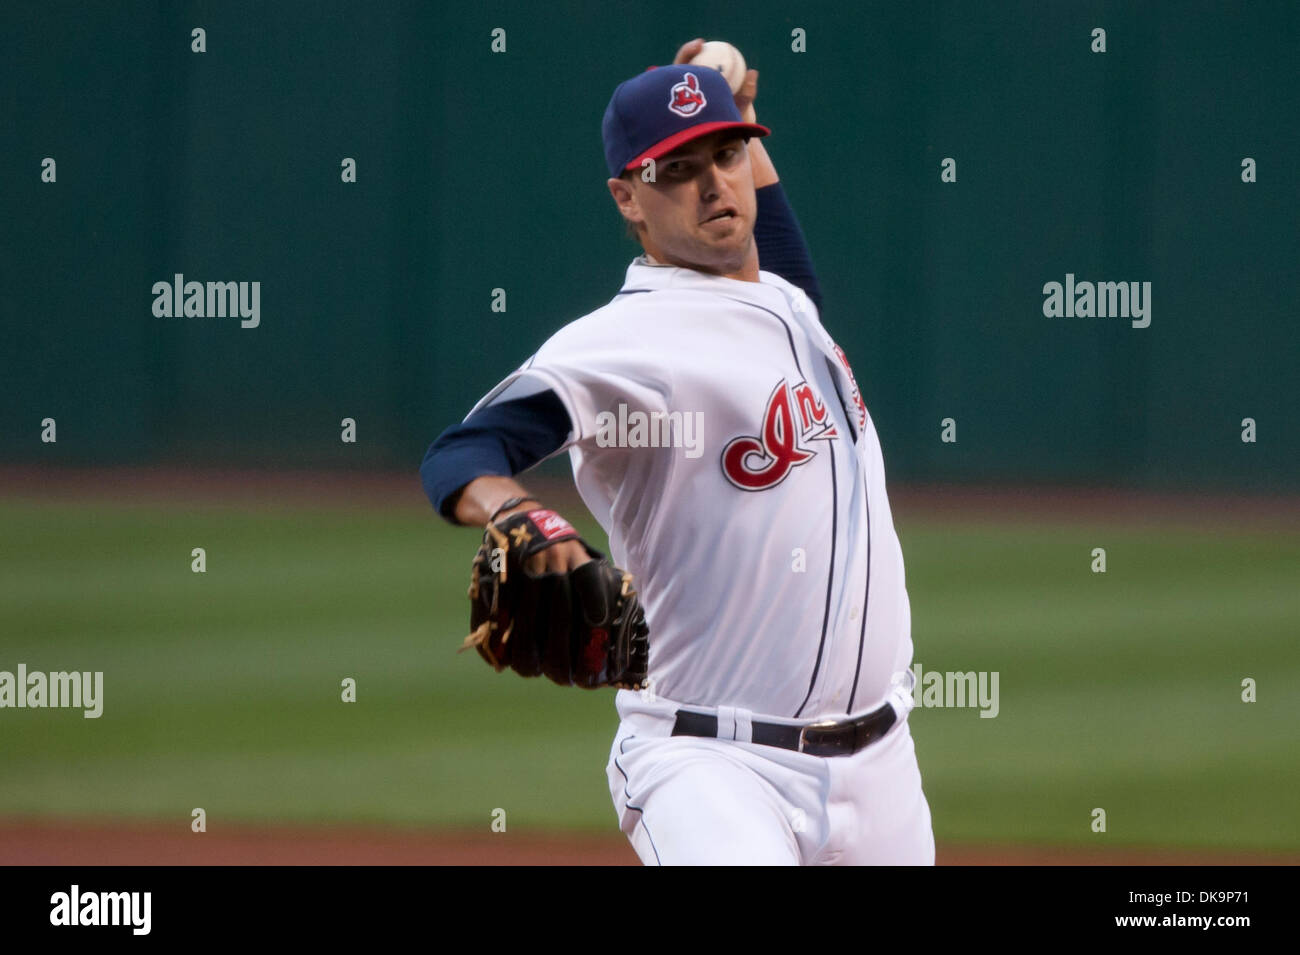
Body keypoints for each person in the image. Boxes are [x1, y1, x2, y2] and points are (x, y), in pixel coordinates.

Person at [421, 39, 934, 865]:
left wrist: (724, 98)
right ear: (628, 196)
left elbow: (777, 260)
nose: (713, 184)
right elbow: (462, 450)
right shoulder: (622, 344)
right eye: (677, 168)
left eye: (727, 155)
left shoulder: (785, 304)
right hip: (713, 765)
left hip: (882, 771)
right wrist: (514, 511)